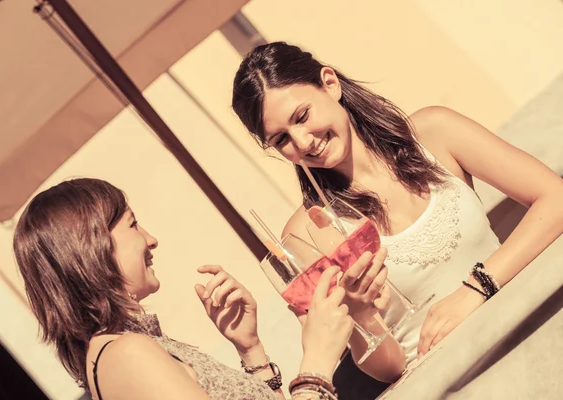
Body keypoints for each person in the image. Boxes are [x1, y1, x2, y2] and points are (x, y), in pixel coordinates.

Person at [231, 41, 563, 374]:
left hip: (532, 333)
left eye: (302, 116)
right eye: (281, 140)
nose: (303, 143)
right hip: (449, 378)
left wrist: (477, 286)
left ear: (329, 84)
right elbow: (389, 370)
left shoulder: (435, 132)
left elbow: (555, 197)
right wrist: (361, 317)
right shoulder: (307, 232)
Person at [13, 178, 354, 400]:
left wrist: (251, 351)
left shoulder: (130, 348)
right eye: (133, 225)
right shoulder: (125, 355)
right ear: (94, 248)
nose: (151, 239)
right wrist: (317, 362)